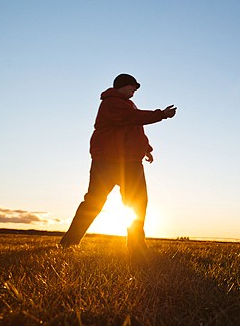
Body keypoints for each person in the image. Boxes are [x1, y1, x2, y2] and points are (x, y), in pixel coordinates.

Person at [60, 73, 176, 252]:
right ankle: (69, 242)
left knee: (136, 203)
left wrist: (146, 149)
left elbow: (133, 127)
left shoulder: (127, 105)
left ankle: (136, 246)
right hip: (108, 162)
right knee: (94, 202)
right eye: (132, 86)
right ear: (121, 86)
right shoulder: (111, 102)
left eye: (136, 88)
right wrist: (162, 114)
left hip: (129, 162)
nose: (134, 90)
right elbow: (133, 118)